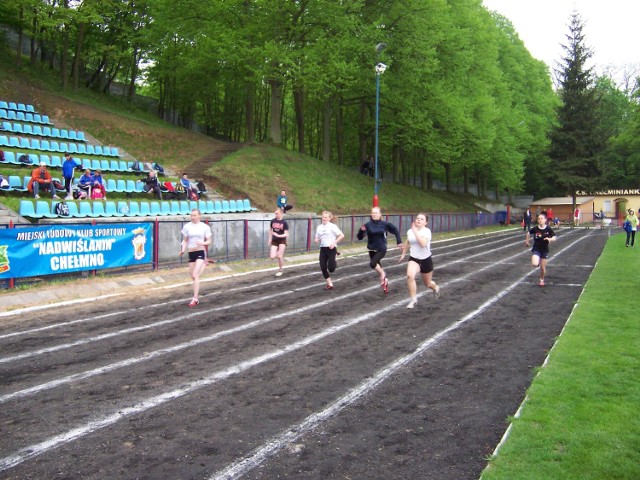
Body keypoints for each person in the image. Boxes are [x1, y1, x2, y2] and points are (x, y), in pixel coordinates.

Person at [357, 206, 402, 293]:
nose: (374, 214)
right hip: (371, 249)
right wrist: (361, 231)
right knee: (377, 266)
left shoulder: (385, 224)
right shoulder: (367, 225)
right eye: (373, 213)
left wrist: (399, 241)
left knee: (372, 263)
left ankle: (383, 274)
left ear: (380, 214)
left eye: (376, 213)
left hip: (381, 248)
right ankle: (385, 281)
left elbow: (395, 230)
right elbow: (359, 237)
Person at [398, 213, 440, 308]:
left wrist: (415, 231)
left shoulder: (427, 231)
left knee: (428, 284)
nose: (419, 220)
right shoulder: (410, 231)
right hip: (414, 259)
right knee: (410, 275)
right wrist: (403, 253)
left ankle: (435, 287)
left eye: (422, 219)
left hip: (426, 260)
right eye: (417, 218)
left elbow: (423, 244)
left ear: (426, 222)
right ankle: (413, 299)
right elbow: (408, 241)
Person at [179, 209, 212, 307]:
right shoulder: (187, 226)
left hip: (200, 251)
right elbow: (185, 240)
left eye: (194, 215)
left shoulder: (204, 227)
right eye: (191, 215)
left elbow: (209, 241)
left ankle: (195, 298)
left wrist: (202, 243)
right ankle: (204, 264)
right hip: (191, 252)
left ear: (199, 216)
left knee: (195, 275)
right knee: (193, 276)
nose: (192, 217)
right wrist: (183, 250)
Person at [314, 211, 345, 289]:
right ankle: (330, 283)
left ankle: (335, 256)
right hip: (323, 249)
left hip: (331, 249)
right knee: (322, 266)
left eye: (325, 217)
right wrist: (316, 239)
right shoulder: (319, 227)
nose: (323, 218)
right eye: (323, 217)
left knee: (331, 269)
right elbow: (316, 237)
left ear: (329, 218)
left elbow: (342, 235)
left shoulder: (332, 226)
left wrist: (334, 243)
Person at [525, 212, 556, 286]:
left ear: (545, 220)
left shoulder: (548, 229)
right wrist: (527, 241)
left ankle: (541, 279)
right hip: (536, 249)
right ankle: (537, 262)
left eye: (542, 218)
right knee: (535, 264)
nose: (540, 220)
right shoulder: (535, 228)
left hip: (544, 250)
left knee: (542, 268)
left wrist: (550, 239)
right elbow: (528, 233)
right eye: (539, 219)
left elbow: (554, 237)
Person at [269, 208, 289, 276]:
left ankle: (280, 270)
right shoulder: (273, 221)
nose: (276, 215)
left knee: (279, 256)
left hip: (282, 240)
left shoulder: (284, 222)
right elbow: (270, 230)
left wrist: (278, 235)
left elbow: (286, 234)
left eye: (277, 213)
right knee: (272, 256)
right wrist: (270, 239)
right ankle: (279, 256)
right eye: (275, 213)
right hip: (275, 240)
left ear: (281, 213)